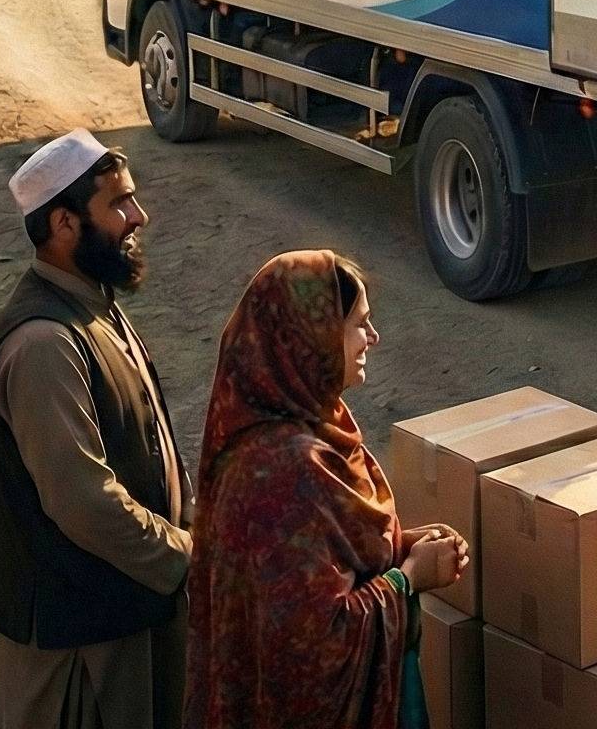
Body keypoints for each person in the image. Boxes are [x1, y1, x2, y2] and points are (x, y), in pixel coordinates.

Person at [185, 251, 468, 729]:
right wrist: (408, 580)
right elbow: (310, 651)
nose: (372, 339)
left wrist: (398, 547)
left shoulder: (305, 430)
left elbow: (321, 563)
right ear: (308, 341)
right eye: (359, 325)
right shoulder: (286, 472)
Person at [0, 131, 192, 729]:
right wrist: (188, 557)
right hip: (80, 655)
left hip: (128, 618)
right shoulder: (44, 343)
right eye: (119, 203)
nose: (139, 216)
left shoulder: (90, 303)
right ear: (64, 223)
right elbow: (84, 502)